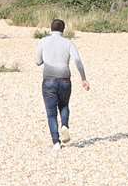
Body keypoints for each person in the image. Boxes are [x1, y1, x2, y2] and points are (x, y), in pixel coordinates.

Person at [35, 19, 88, 149]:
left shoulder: (43, 41)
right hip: (65, 79)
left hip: (48, 80)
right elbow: (77, 61)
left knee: (51, 112)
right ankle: (64, 125)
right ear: (63, 30)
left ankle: (56, 142)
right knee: (64, 106)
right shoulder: (68, 43)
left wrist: (45, 60)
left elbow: (37, 61)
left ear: (50, 28)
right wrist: (83, 79)